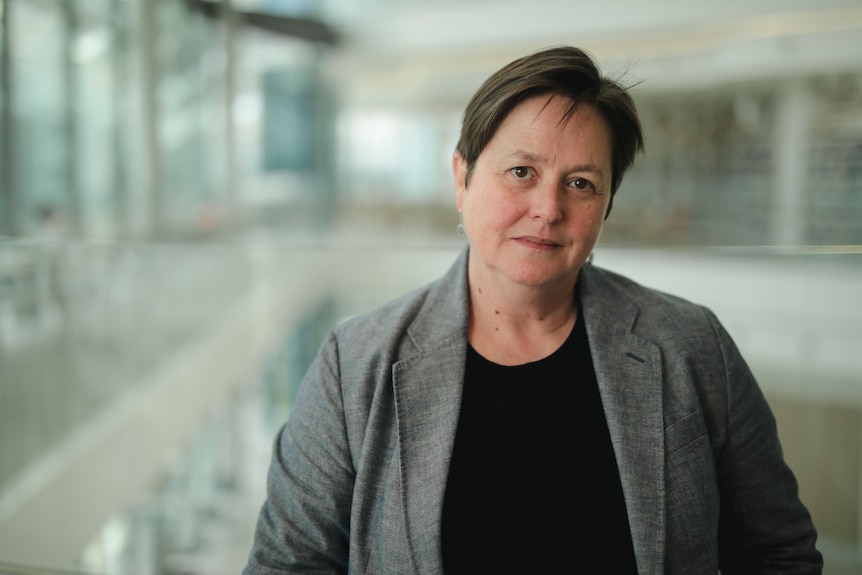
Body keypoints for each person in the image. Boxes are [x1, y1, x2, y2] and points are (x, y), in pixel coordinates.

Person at [244, 46, 822, 574]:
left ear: (605, 206)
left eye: (581, 183)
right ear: (462, 179)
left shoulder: (692, 345)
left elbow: (779, 556)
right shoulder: (356, 366)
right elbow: (288, 565)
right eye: (522, 173)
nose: (548, 209)